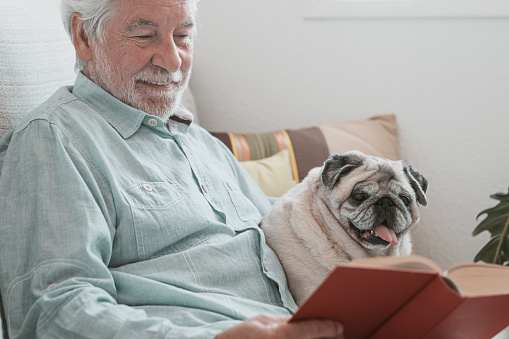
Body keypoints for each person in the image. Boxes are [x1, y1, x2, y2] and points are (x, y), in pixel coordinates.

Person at [0, 0, 345, 338]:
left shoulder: (199, 141)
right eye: (144, 36)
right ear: (84, 37)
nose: (172, 59)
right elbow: (53, 311)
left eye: (182, 35)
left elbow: (280, 228)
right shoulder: (54, 139)